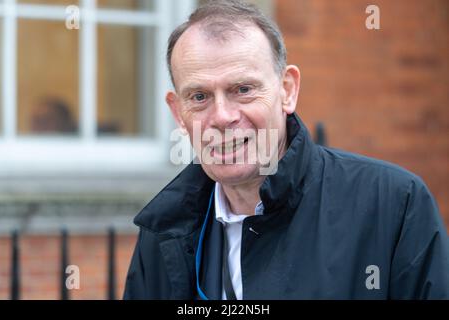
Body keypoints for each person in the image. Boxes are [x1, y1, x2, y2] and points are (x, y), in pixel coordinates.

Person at [124, 0, 449, 299]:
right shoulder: (164, 233)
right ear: (178, 113)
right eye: (199, 97)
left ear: (287, 91)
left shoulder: (393, 207)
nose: (222, 117)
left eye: (243, 89)